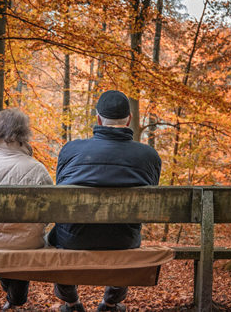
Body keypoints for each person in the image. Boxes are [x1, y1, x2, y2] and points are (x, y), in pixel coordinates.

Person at [48, 90, 161, 312]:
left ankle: (71, 303)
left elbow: (60, 192)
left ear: (98, 119)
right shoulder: (149, 156)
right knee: (124, 232)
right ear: (129, 120)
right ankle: (110, 303)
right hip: (123, 240)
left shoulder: (70, 150)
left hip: (73, 240)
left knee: (60, 232)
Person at [0, 108, 53, 311]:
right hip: (28, 241)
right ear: (24, 135)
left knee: (4, 243)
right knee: (22, 242)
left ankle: (14, 301)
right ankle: (16, 300)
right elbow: (49, 213)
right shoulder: (37, 168)